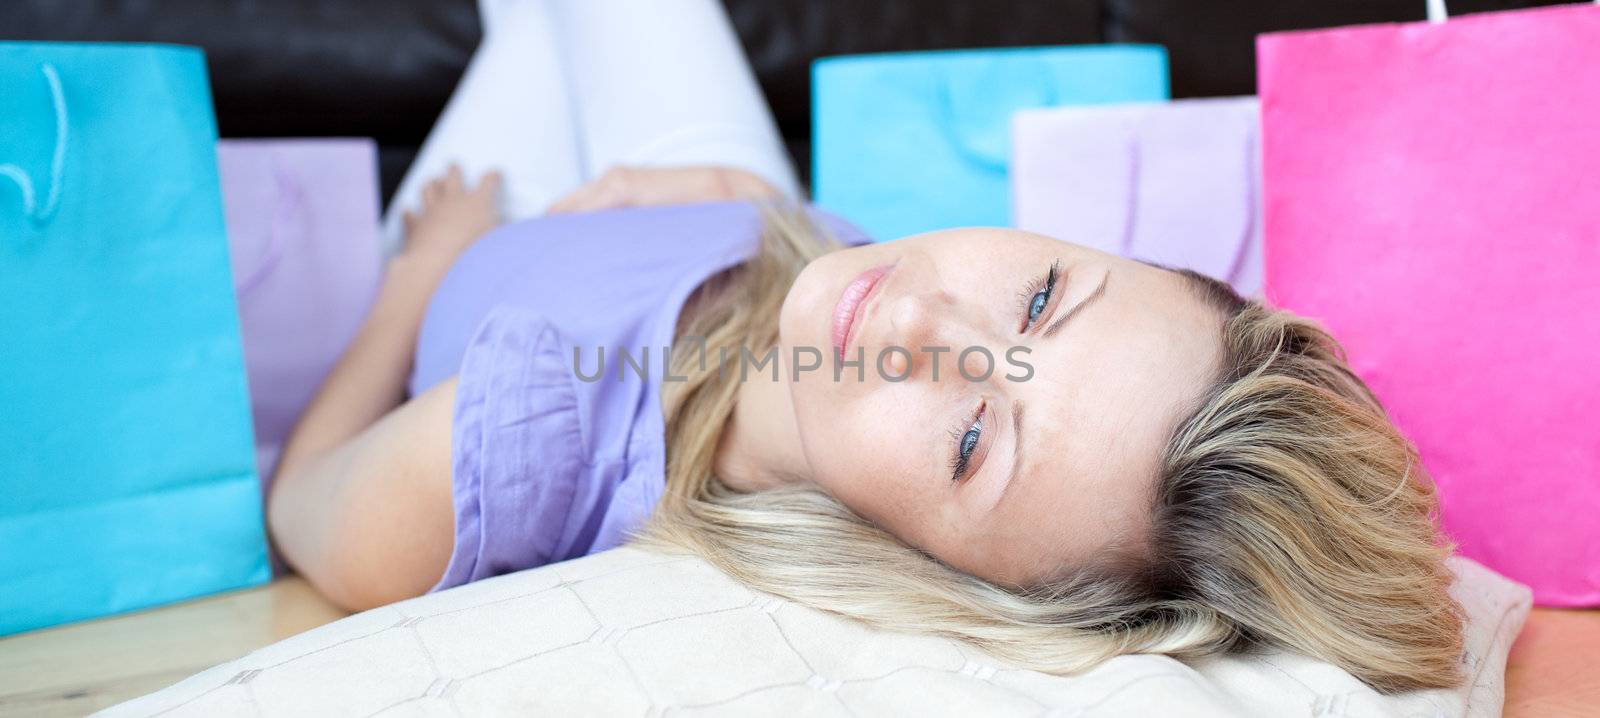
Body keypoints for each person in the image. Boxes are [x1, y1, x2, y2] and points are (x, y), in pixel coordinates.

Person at [267, 0, 1464, 695]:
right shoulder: (854, 282)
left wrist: (414, 276)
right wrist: (737, 207)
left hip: (489, 227)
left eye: (970, 437)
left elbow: (300, 503)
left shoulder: (522, 435)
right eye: (1043, 295)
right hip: (746, 221)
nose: (916, 323)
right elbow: (851, 286)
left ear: (939, 565)